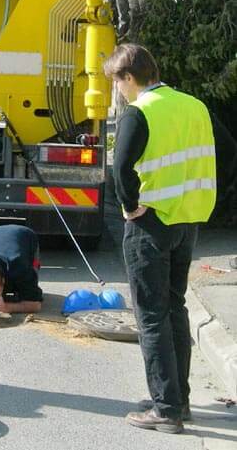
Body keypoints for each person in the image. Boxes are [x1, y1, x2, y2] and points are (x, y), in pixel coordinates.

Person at [103, 43, 235, 434]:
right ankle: (179, 399)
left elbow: (121, 168)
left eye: (117, 82)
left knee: (152, 316)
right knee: (175, 309)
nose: (118, 90)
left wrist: (129, 207)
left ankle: (165, 409)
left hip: (150, 225)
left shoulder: (139, 112)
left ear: (129, 77)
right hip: (187, 222)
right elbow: (229, 151)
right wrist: (210, 192)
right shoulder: (194, 106)